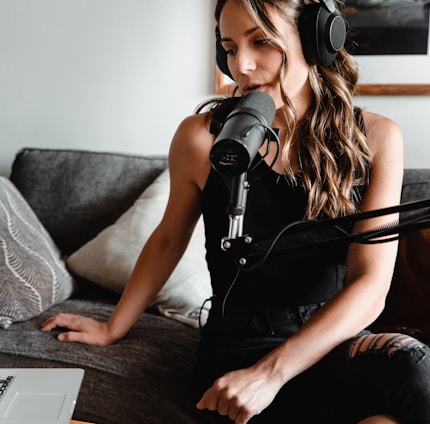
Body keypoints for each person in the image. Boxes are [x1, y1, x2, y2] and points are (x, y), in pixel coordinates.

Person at [41, 0, 430, 422]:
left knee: (415, 372)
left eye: (261, 41)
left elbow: (370, 287)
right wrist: (112, 326)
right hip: (238, 348)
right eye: (228, 47)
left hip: (331, 339)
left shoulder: (376, 139)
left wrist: (270, 376)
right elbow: (169, 238)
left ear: (317, 40)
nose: (240, 65)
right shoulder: (202, 140)